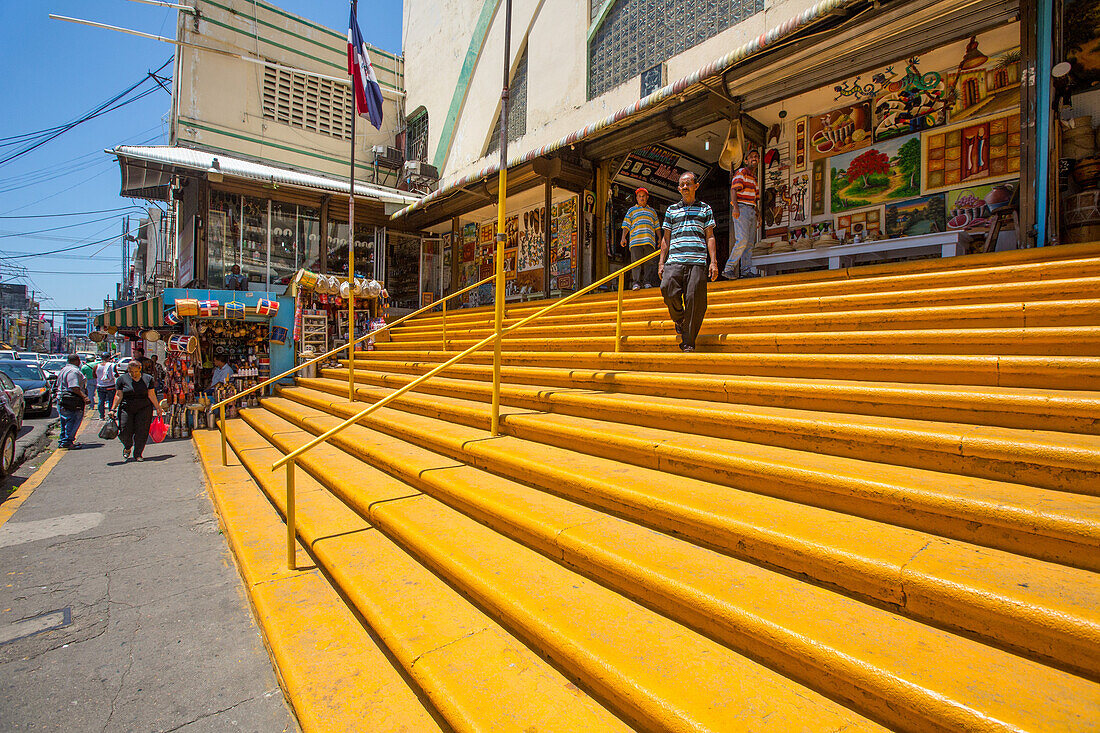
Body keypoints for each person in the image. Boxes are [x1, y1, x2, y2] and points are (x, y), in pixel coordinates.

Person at [659, 171, 718, 353]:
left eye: (688, 184)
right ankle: (679, 319)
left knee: (695, 301)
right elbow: (665, 239)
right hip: (674, 260)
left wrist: (713, 262)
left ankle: (688, 342)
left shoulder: (705, 209)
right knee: (667, 289)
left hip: (697, 261)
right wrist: (661, 262)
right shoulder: (671, 210)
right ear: (678, 188)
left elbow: (710, 236)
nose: (685, 187)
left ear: (695, 186)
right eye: (682, 185)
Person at [111, 358, 162, 462]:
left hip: (144, 408)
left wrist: (158, 408)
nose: (133, 374)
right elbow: (118, 395)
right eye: (131, 372)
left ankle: (138, 453)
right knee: (125, 430)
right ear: (128, 370)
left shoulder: (148, 379)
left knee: (142, 431)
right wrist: (113, 409)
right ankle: (128, 446)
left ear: (140, 369)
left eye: (136, 371)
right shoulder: (122, 379)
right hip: (126, 408)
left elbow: (151, 394)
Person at [722, 149, 760, 279]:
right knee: (742, 240)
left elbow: (756, 198)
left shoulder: (754, 178)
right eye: (751, 157)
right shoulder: (741, 172)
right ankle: (728, 268)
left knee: (749, 242)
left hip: (751, 209)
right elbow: (733, 190)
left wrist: (758, 213)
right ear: (746, 160)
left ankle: (746, 270)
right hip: (742, 208)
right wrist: (736, 208)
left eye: (756, 157)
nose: (754, 158)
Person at [620, 186, 660, 290]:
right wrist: (623, 238)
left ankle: (647, 282)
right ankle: (636, 283)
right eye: (639, 196)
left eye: (643, 196)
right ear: (637, 198)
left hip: (649, 241)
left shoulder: (652, 212)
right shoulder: (631, 210)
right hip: (635, 241)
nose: (641, 198)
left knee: (649, 263)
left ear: (647, 197)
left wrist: (660, 238)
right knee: (636, 263)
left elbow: (657, 227)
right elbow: (626, 225)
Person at [56, 355, 91, 449]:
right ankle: (67, 441)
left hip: (63, 399)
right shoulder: (73, 371)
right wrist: (85, 397)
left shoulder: (64, 369)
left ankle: (63, 440)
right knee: (72, 420)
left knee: (65, 421)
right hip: (71, 400)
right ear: (77, 361)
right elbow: (74, 387)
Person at [94, 353, 117, 420]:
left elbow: (94, 375)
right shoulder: (112, 365)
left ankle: (101, 416)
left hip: (100, 386)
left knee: (101, 401)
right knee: (111, 401)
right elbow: (116, 375)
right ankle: (111, 415)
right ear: (109, 358)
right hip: (111, 386)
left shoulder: (96, 366)